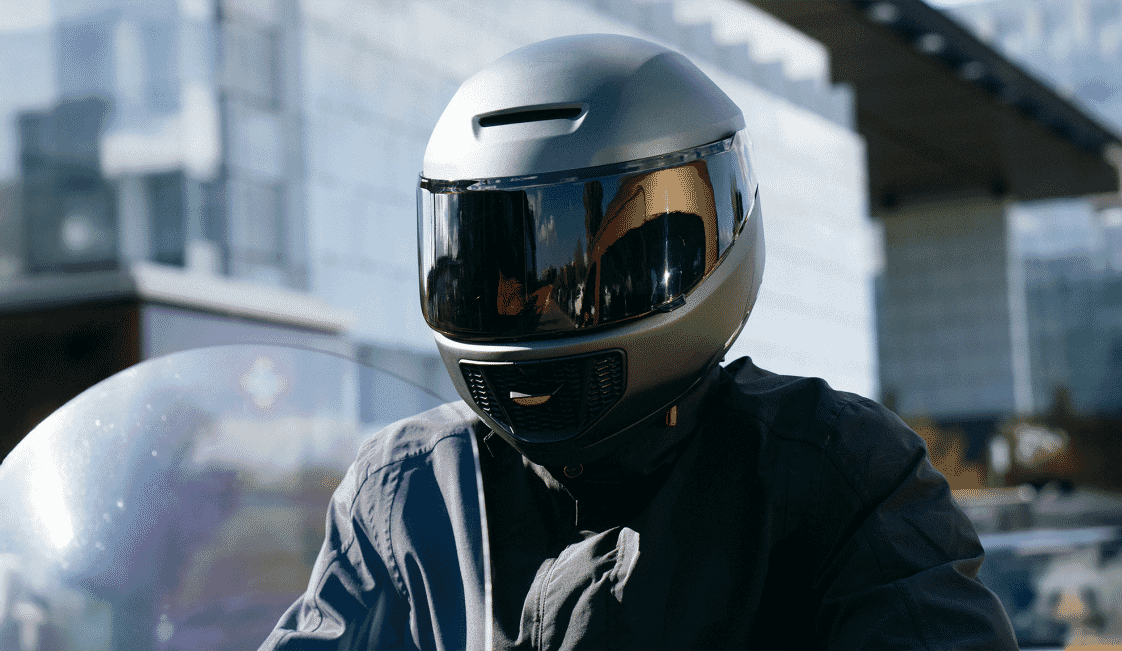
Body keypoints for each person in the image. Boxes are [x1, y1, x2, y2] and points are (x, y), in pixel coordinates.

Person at [260, 34, 1018, 650]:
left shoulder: (829, 471)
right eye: (501, 269)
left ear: (714, 241)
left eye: (595, 270)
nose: (539, 302)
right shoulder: (404, 490)